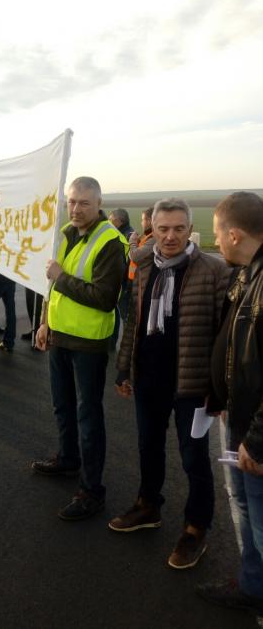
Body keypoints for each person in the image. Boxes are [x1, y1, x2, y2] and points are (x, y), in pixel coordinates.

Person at [110, 198, 229, 569]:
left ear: (190, 228)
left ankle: (196, 528)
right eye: (163, 228)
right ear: (153, 228)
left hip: (192, 384)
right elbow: (135, 321)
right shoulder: (145, 265)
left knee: (194, 459)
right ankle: (148, 505)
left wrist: (219, 388)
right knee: (148, 447)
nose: (170, 236)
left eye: (178, 228)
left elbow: (224, 337)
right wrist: (124, 368)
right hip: (149, 378)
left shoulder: (213, 270)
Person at [32, 176, 126, 521]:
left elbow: (103, 299)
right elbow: (50, 287)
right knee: (62, 406)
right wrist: (44, 322)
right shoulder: (66, 236)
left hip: (88, 344)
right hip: (59, 337)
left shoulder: (110, 242)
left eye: (84, 203)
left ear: (99, 204)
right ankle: (67, 459)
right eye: (71, 201)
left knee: (88, 416)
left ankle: (92, 491)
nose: (75, 208)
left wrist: (61, 277)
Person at [196, 192, 263, 616]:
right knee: (242, 504)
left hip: (256, 432)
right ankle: (252, 586)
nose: (216, 242)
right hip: (237, 417)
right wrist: (217, 395)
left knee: (260, 516)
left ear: (234, 234)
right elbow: (234, 346)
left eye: (218, 234)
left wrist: (258, 440)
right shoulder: (245, 274)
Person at [108, 208, 133, 350]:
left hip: (125, 283)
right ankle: (113, 343)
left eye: (111, 219)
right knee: (118, 312)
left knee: (125, 316)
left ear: (119, 221)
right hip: (122, 281)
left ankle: (127, 348)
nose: (109, 222)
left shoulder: (127, 235)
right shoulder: (124, 232)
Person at [127, 206, 155, 281]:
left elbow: (134, 256)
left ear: (149, 221)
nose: (141, 223)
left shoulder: (154, 238)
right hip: (135, 278)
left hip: (141, 279)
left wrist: (132, 240)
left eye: (142, 220)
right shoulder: (147, 236)